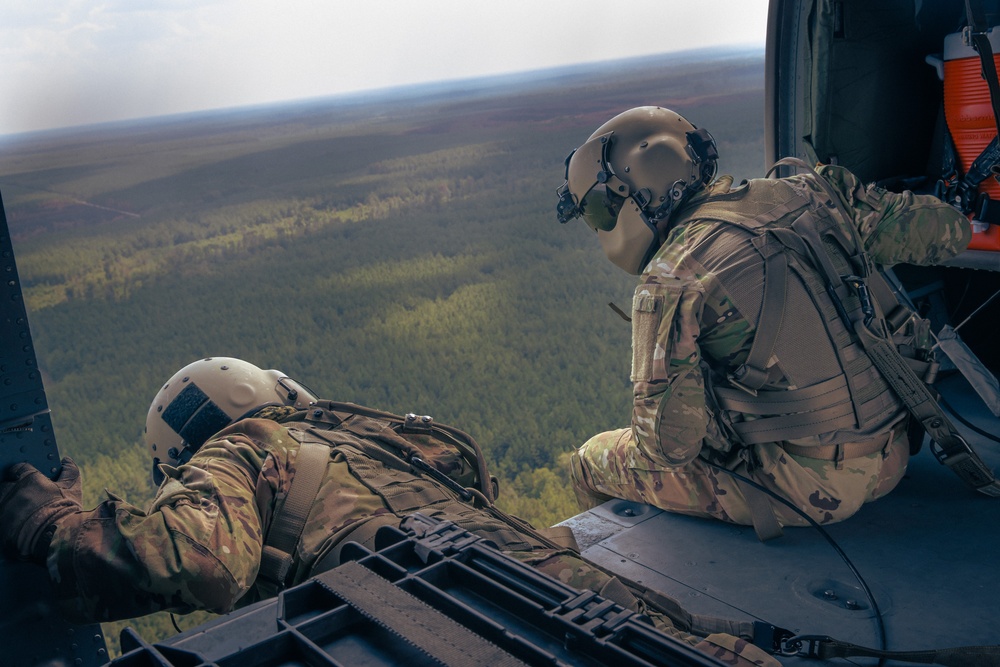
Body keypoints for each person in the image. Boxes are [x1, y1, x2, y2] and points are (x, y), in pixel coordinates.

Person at [0, 356, 779, 666]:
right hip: (563, 584)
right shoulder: (359, 436)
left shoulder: (238, 449)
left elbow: (196, 557)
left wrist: (53, 526)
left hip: (469, 619)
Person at [556, 106, 972, 539]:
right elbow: (949, 230)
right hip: (897, 449)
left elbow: (669, 447)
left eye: (602, 212)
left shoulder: (671, 276)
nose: (604, 225)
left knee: (589, 461)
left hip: (813, 493)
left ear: (639, 191)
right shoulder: (810, 191)